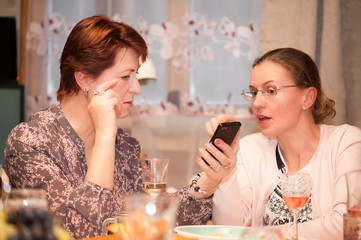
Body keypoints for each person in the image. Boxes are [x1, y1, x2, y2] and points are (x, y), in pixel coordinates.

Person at [3, 15, 234, 239]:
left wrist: (209, 179)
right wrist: (104, 135)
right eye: (126, 77)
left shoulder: (125, 145)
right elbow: (86, 232)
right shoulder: (30, 141)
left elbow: (153, 218)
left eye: (136, 75)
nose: (137, 88)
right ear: (83, 78)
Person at [200, 48, 361, 239]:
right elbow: (228, 231)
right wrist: (226, 174)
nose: (257, 103)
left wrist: (262, 234)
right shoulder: (251, 148)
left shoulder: (346, 142)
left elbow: (347, 225)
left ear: (307, 98)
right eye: (253, 93)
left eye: (270, 90)